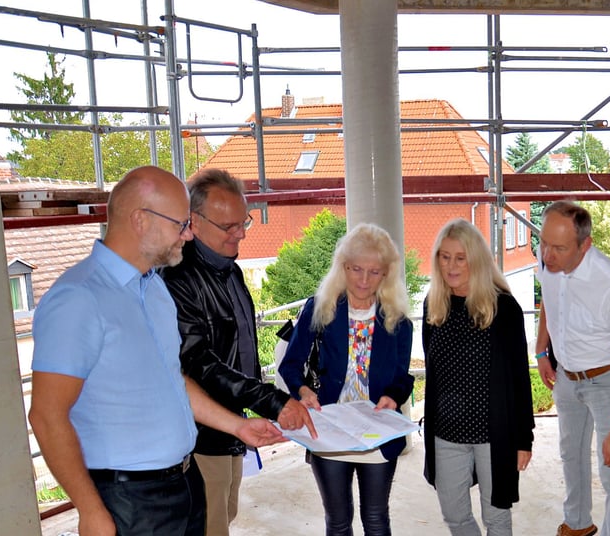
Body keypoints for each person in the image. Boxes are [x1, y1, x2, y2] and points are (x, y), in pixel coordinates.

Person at [27, 166, 286, 536]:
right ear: (140, 221)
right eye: (181, 224)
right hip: (129, 498)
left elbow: (172, 380)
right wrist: (89, 510)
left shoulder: (153, 289)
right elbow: (47, 416)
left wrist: (238, 426)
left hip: (183, 480)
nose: (188, 233)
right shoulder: (78, 298)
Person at [162, 168, 316, 535]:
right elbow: (198, 363)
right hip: (201, 431)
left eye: (242, 221)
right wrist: (273, 401)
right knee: (211, 523)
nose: (242, 232)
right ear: (194, 222)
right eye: (229, 226)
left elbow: (240, 349)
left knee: (226, 512)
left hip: (232, 423)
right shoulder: (179, 279)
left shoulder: (227, 269)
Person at [279, 223, 414, 536]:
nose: (364, 280)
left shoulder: (397, 318)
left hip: (377, 433)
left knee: (377, 520)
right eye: (356, 269)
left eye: (374, 272)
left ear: (387, 273)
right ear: (343, 267)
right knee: (338, 523)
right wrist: (301, 390)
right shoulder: (321, 308)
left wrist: (393, 396)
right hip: (329, 431)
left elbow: (402, 377)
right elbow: (290, 365)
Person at [534, 200, 610, 536]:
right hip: (567, 377)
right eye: (544, 243)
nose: (548, 256)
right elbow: (549, 304)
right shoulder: (548, 262)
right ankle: (578, 525)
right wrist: (541, 351)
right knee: (571, 455)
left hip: (608, 380)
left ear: (586, 245)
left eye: (559, 248)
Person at [422, 219, 535, 536]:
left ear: (476, 260)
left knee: (496, 516)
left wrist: (523, 439)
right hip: (446, 434)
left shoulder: (504, 309)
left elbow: (519, 380)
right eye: (445, 257)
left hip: (494, 435)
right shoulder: (433, 306)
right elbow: (433, 376)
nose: (451, 265)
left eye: (461, 257)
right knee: (455, 516)